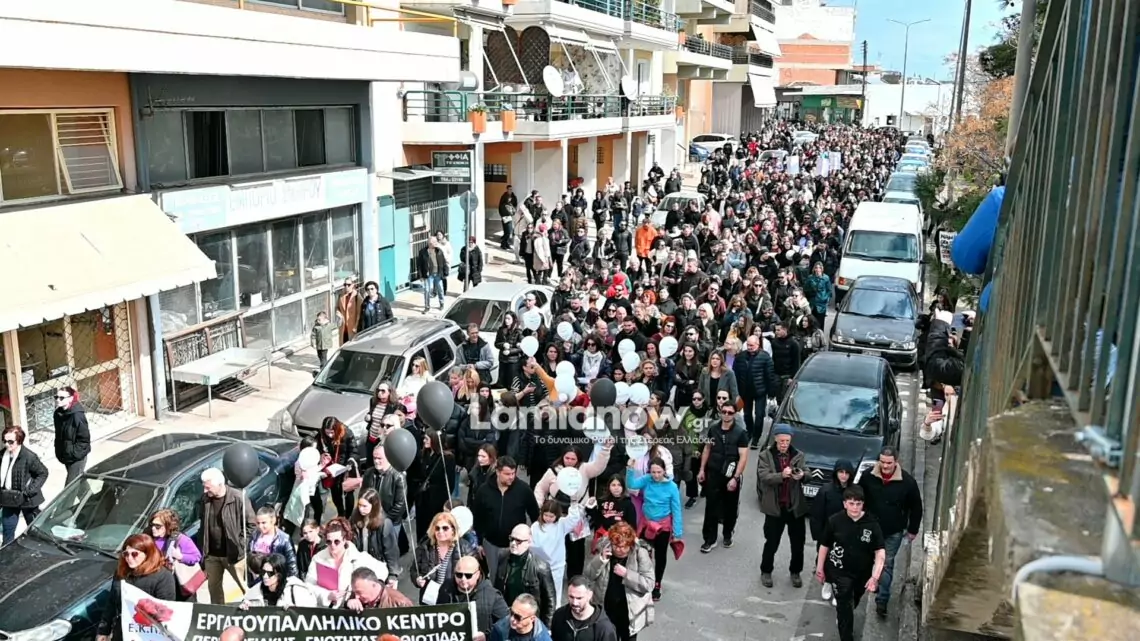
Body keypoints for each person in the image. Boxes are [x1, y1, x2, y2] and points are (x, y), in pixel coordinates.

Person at [858, 446, 923, 617]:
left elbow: (916, 507)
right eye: (882, 462)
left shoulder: (908, 482)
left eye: (889, 463)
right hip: (869, 529)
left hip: (893, 531)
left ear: (896, 462)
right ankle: (865, 586)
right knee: (864, 560)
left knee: (886, 564)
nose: (885, 466)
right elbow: (858, 498)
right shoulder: (867, 477)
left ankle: (882, 600)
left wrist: (912, 530)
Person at [814, 486, 886, 641]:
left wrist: (874, 577)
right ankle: (846, 634)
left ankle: (845, 612)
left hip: (862, 573)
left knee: (854, 599)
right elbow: (824, 545)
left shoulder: (872, 524)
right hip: (839, 571)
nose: (855, 507)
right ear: (844, 504)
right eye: (851, 503)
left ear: (863, 504)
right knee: (844, 607)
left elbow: (880, 552)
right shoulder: (835, 521)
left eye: (858, 504)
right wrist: (820, 568)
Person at [755, 424, 808, 589]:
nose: (784, 444)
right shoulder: (765, 455)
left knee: (798, 544)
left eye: (787, 441)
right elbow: (764, 476)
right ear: (775, 439)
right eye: (782, 441)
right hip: (775, 507)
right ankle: (766, 571)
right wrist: (781, 475)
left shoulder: (798, 455)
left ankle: (795, 572)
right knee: (771, 542)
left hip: (794, 507)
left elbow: (808, 473)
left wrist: (802, 475)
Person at [96, 534, 177, 641]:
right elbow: (111, 603)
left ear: (147, 553)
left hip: (149, 634)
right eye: (126, 554)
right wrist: (103, 631)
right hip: (123, 631)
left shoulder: (163, 577)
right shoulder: (121, 572)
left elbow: (166, 611)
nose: (129, 558)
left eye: (134, 554)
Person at [583, 522, 654, 641]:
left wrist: (627, 574)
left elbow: (649, 584)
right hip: (606, 608)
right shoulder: (605, 548)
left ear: (630, 543)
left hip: (629, 611)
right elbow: (588, 576)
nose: (619, 550)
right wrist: (600, 560)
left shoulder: (640, 553)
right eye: (616, 546)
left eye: (623, 547)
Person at [473, 456, 540, 580]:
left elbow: (535, 515)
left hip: (516, 545)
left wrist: (531, 539)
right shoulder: (484, 491)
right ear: (498, 472)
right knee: (491, 578)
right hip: (490, 545)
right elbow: (478, 518)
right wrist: (479, 542)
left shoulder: (523, 490)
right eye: (507, 474)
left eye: (513, 473)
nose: (511, 477)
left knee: (512, 579)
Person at [624, 458, 682, 602]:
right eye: (653, 472)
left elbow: (676, 510)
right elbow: (631, 484)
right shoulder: (647, 479)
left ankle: (657, 584)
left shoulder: (672, 487)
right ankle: (644, 581)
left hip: (663, 527)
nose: (656, 475)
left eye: (659, 472)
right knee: (642, 554)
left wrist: (677, 533)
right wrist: (630, 469)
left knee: (660, 557)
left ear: (664, 471)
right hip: (646, 524)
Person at [197, 467, 257, 604]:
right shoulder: (205, 499)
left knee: (246, 588)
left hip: (233, 555)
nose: (205, 491)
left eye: (208, 487)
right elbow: (202, 522)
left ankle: (253, 610)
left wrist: (240, 544)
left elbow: (251, 525)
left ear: (220, 484)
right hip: (212, 556)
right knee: (214, 590)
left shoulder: (238, 498)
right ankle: (218, 613)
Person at [697, 400, 749, 553]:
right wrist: (702, 470)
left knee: (730, 508)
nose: (726, 415)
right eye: (724, 412)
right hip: (713, 473)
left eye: (730, 412)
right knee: (711, 507)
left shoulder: (740, 433)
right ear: (720, 412)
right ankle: (709, 539)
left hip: (731, 475)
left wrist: (735, 478)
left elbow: (743, 457)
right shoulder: (713, 429)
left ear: (735, 414)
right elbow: (707, 449)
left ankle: (727, 534)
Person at [304, 517, 389, 607]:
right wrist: (326, 595)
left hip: (350, 609)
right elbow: (309, 585)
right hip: (326, 609)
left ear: (345, 540)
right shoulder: (318, 558)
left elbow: (382, 570)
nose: (332, 545)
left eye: (337, 541)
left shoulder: (357, 557)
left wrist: (360, 595)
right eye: (329, 542)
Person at [494, 523, 557, 626]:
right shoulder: (503, 557)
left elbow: (550, 600)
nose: (513, 543)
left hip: (529, 619)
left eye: (518, 541)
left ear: (529, 542)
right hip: (507, 615)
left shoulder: (540, 566)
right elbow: (497, 588)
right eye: (511, 539)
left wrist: (548, 627)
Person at [438, 555, 510, 641]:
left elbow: (506, 623)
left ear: (477, 574)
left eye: (468, 575)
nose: (463, 579)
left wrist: (487, 636)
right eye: (459, 575)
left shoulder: (492, 595)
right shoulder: (445, 588)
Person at [529, 500, 586, 607]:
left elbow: (573, 519)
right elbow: (531, 543)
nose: (548, 518)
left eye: (551, 516)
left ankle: (555, 611)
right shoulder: (535, 526)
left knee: (555, 591)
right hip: (540, 566)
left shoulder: (561, 524)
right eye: (546, 515)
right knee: (541, 591)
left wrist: (573, 506)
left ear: (557, 515)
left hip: (556, 566)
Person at [414, 511, 476, 605]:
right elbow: (414, 569)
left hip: (455, 598)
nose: (440, 531)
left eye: (445, 528)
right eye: (437, 528)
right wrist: (417, 579)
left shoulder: (464, 548)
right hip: (430, 598)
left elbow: (475, 572)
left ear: (453, 530)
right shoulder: (425, 547)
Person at [0, 426, 48, 544]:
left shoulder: (29, 456)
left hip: (27, 499)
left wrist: (29, 491)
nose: (7, 444)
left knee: (34, 531)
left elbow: (43, 473)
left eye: (10, 442)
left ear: (19, 441)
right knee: (7, 532)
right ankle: (7, 554)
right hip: (9, 499)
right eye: (4, 441)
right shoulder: (2, 455)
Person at [348, 489, 401, 586]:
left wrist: (393, 575)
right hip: (359, 563)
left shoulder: (385, 524)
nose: (361, 509)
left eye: (364, 506)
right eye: (359, 505)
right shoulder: (354, 518)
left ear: (374, 505)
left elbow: (391, 551)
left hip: (376, 566)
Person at [550, 576, 619, 641]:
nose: (574, 602)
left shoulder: (604, 628)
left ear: (590, 595)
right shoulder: (559, 616)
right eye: (571, 597)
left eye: (579, 598)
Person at [240, 553, 318, 608]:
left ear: (279, 574)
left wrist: (294, 611)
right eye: (263, 572)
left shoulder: (296, 590)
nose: (265, 576)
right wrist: (244, 608)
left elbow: (310, 612)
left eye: (270, 573)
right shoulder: (255, 591)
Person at [317, 416, 359, 518]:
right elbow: (318, 448)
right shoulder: (322, 435)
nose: (330, 435)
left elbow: (354, 450)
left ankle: (348, 516)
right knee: (335, 493)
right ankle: (341, 512)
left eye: (332, 432)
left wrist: (350, 461)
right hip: (333, 468)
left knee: (348, 492)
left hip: (347, 467)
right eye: (327, 433)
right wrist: (322, 455)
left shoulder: (347, 433)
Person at [53, 386, 90, 485]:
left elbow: (84, 439)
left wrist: (74, 453)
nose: (58, 400)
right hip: (66, 455)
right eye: (56, 397)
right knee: (80, 484)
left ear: (70, 398)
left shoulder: (77, 415)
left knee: (70, 487)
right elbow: (58, 435)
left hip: (77, 457)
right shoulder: (57, 414)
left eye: (61, 398)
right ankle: (91, 495)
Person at [249, 506, 297, 580]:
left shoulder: (284, 539)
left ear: (273, 520)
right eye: (258, 523)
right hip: (257, 580)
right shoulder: (255, 535)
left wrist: (290, 582)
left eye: (264, 523)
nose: (260, 526)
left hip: (276, 580)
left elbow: (292, 565)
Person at [344, 566, 414, 610]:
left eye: (359, 592)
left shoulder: (399, 603)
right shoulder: (356, 597)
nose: (356, 596)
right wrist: (347, 605)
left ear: (374, 585)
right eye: (355, 592)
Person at [489, 594, 553, 641]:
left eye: (518, 617)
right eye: (511, 612)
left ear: (532, 619)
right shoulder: (499, 630)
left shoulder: (542, 638)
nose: (512, 619)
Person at [418, 236, 449, 312]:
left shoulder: (439, 251)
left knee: (440, 289)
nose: (436, 243)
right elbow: (419, 265)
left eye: (436, 241)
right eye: (434, 242)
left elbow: (443, 262)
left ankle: (441, 303)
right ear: (430, 243)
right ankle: (427, 307)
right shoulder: (423, 252)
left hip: (438, 273)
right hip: (428, 275)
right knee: (427, 290)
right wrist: (420, 275)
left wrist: (445, 272)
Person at [336, 277, 363, 344]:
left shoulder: (357, 296)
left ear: (353, 285)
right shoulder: (341, 295)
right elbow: (337, 307)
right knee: (343, 345)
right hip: (343, 327)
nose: (346, 287)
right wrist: (338, 313)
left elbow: (360, 313)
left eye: (349, 285)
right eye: (345, 284)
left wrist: (356, 327)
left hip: (353, 328)